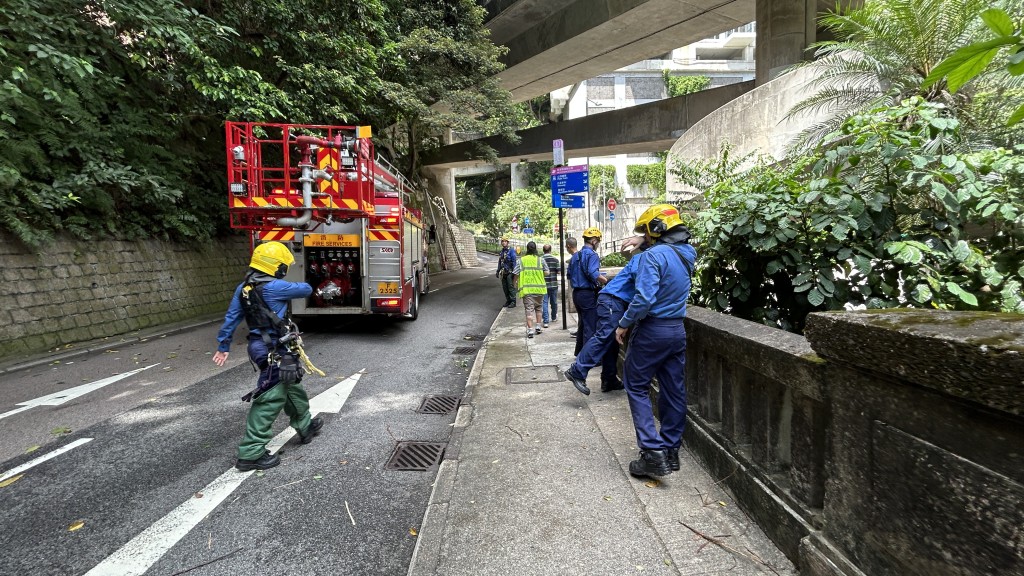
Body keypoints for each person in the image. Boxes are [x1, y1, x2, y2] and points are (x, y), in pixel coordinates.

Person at [213, 241, 325, 471]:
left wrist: (223, 345)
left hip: (260, 346)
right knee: (270, 398)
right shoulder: (276, 287)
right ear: (277, 266)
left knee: (291, 386)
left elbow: (232, 317)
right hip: (274, 349)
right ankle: (251, 452)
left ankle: (305, 426)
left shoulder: (243, 289)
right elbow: (305, 289)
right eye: (284, 265)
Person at [614, 204, 696, 480]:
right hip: (676, 331)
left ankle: (652, 453)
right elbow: (667, 248)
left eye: (646, 231)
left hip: (652, 331)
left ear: (656, 230)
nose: (644, 236)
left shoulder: (652, 257)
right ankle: (671, 450)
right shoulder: (688, 253)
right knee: (674, 390)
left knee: (636, 385)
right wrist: (643, 241)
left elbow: (644, 299)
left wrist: (624, 323)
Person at [564, 238, 651, 395]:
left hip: (613, 300)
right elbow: (641, 286)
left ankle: (609, 379)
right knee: (605, 335)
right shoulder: (644, 258)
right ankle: (577, 370)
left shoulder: (645, 257)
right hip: (612, 300)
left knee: (612, 342)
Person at [567, 227, 607, 355]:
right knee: (591, 325)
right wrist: (606, 281)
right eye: (598, 241)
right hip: (587, 294)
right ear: (594, 241)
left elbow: (569, 275)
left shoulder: (575, 256)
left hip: (576, 294)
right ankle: (589, 357)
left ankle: (579, 353)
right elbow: (592, 272)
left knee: (582, 324)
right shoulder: (592, 255)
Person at [515, 241, 549, 338]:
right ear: (535, 249)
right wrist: (538, 273)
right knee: (538, 309)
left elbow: (516, 274)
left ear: (527, 248)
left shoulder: (521, 260)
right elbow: (547, 272)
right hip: (539, 289)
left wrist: (515, 284)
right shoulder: (540, 260)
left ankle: (530, 331)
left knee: (529, 310)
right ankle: (538, 327)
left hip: (527, 290)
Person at [541, 244, 561, 328]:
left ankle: (546, 321)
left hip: (543, 285)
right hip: (553, 284)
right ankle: (553, 317)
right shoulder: (555, 260)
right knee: (554, 302)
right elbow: (559, 272)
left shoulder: (540, 260)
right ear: (550, 250)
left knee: (544, 302)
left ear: (543, 250)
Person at [496, 237, 518, 308]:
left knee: (510, 287)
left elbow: (514, 261)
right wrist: (498, 270)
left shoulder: (511, 251)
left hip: (510, 272)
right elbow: (500, 262)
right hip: (503, 273)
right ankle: (508, 300)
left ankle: (513, 301)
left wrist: (514, 272)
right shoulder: (502, 251)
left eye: (505, 241)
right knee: (505, 288)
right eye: (502, 241)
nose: (503, 242)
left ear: (508, 242)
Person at [564, 237, 579, 337]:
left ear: (569, 246)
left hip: (578, 289)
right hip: (585, 289)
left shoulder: (573, 259)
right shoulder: (582, 256)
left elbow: (569, 275)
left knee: (581, 314)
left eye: (566, 247)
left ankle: (581, 333)